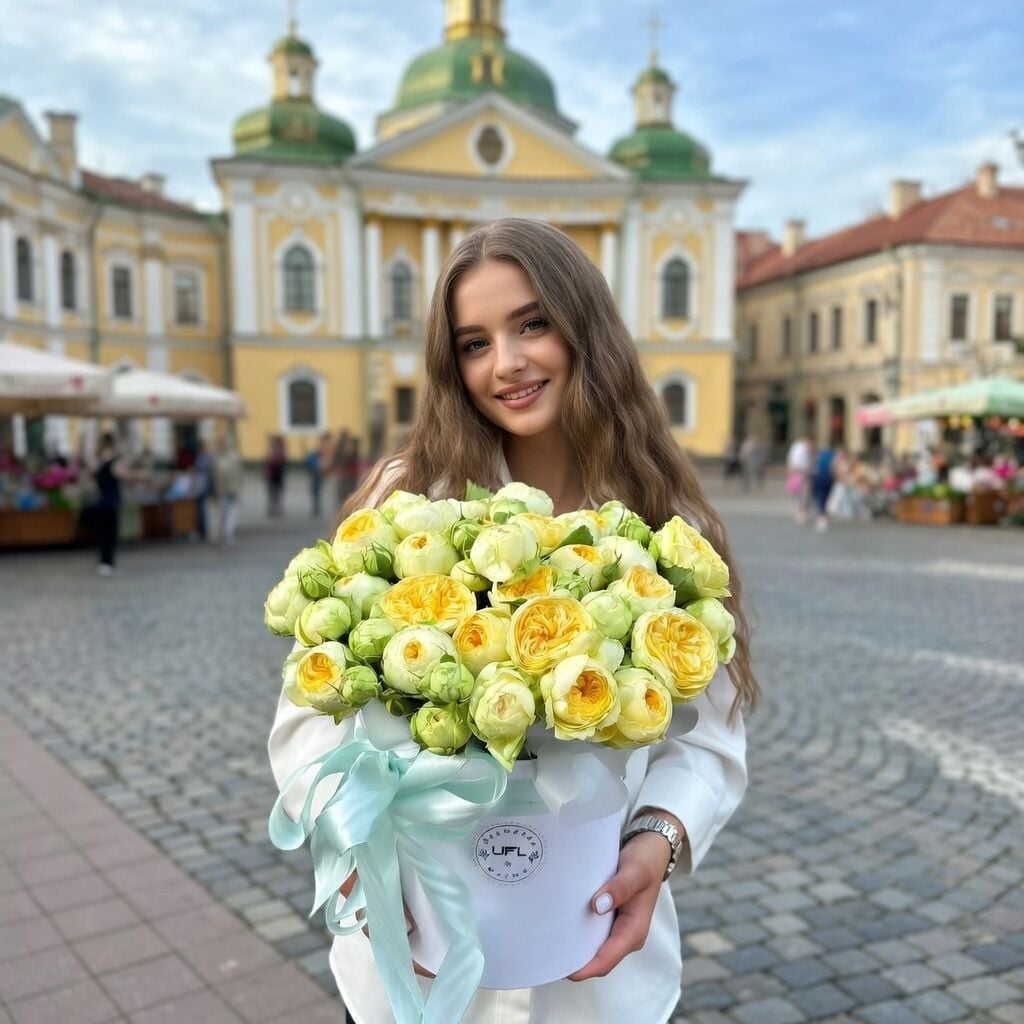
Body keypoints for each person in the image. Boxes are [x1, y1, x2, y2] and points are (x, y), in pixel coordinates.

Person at [267, 219, 755, 1024]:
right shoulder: (407, 500)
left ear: (585, 329)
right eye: (475, 343)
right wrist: (350, 844)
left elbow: (709, 738)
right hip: (413, 967)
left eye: (533, 325)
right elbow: (309, 717)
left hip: (595, 979)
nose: (507, 363)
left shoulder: (669, 529)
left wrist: (660, 840)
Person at [87, 432, 133, 575]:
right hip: (111, 503)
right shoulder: (113, 462)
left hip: (101, 501)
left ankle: (105, 563)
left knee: (103, 535)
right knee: (110, 535)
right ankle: (107, 563)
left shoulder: (98, 461)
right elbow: (126, 476)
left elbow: (92, 474)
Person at [213, 436, 243, 544]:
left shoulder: (219, 460)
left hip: (224, 490)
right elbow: (239, 474)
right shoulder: (234, 457)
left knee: (225, 513)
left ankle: (225, 534)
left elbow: (217, 476)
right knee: (229, 513)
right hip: (231, 489)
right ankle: (227, 534)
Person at [785, 433, 813, 523]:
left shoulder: (798, 447)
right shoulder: (800, 448)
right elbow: (797, 463)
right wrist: (802, 473)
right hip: (800, 473)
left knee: (799, 493)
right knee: (800, 493)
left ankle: (800, 511)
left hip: (799, 473)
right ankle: (800, 512)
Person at [810, 440, 837, 532]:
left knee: (819, 496)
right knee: (824, 497)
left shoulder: (818, 454)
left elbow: (813, 466)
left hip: (817, 478)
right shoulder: (832, 455)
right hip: (827, 478)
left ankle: (820, 514)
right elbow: (833, 467)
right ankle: (822, 515)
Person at [193, 440, 214, 541]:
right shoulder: (205, 457)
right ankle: (203, 530)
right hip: (202, 486)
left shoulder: (206, 458)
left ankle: (204, 530)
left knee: (203, 509)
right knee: (202, 509)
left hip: (203, 486)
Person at [265, 435, 286, 517]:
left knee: (276, 494)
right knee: (273, 494)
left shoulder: (279, 452)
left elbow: (277, 463)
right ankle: (273, 509)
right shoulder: (275, 452)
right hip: (273, 476)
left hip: (277, 476)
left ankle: (275, 509)